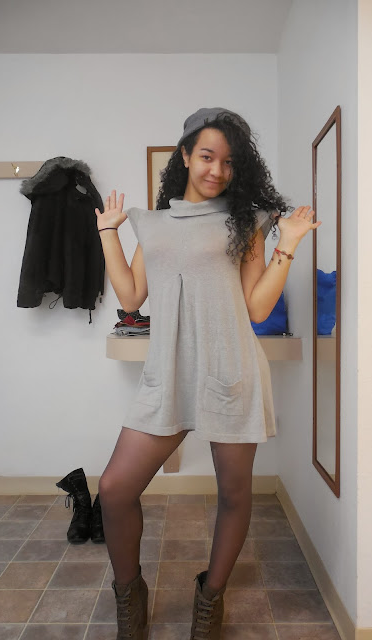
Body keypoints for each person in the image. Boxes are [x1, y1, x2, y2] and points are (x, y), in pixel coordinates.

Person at [95, 107, 321, 640]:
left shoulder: (245, 222)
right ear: (184, 156)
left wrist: (288, 243)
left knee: (234, 495)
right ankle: (129, 596)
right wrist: (108, 232)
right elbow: (131, 296)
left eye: (228, 161)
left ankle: (209, 598)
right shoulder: (152, 224)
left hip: (231, 370)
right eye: (206, 156)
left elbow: (258, 307)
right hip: (167, 375)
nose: (217, 169)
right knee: (114, 489)